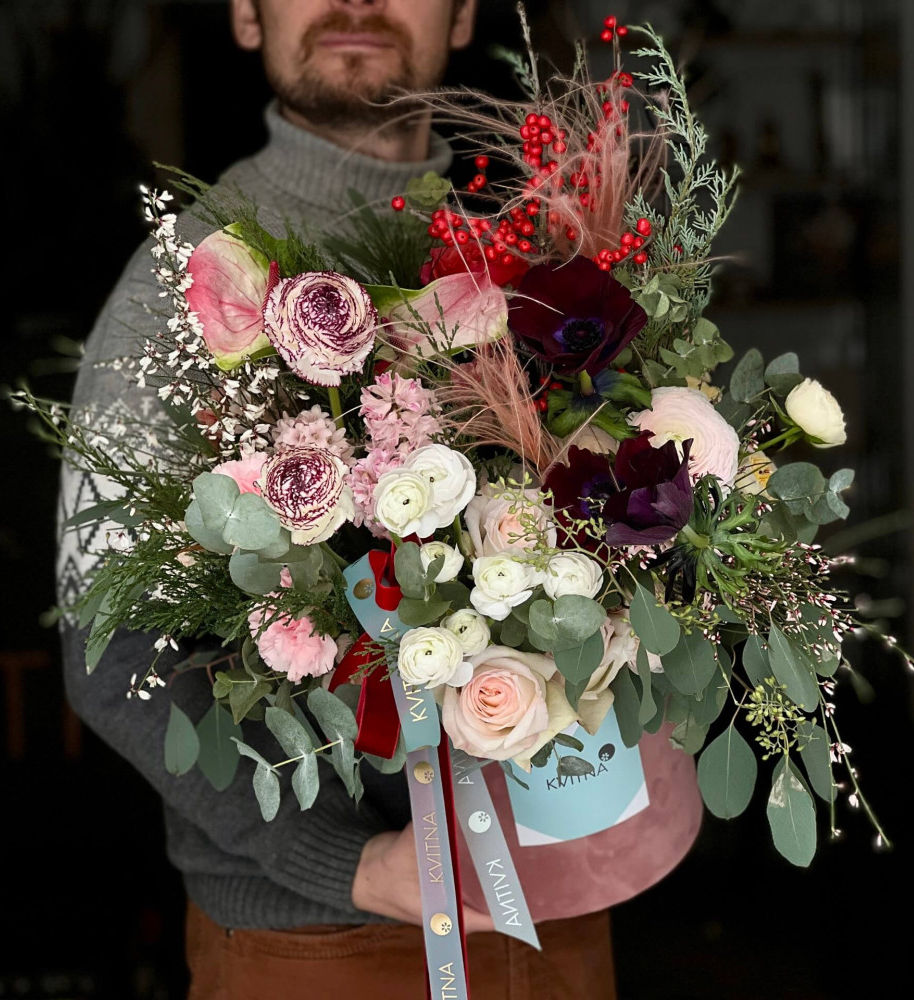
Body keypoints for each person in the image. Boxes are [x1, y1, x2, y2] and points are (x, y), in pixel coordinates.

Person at [57, 1, 619, 996]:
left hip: (554, 918)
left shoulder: (531, 261)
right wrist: (350, 863)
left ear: (462, 14)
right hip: (318, 943)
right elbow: (109, 655)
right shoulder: (184, 283)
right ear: (245, 13)